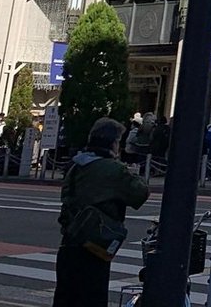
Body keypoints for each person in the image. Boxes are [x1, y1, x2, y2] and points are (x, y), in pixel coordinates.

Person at [52, 118, 149, 307]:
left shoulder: (76, 165)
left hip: (70, 242)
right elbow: (139, 194)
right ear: (112, 143)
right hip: (95, 245)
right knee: (92, 297)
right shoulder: (111, 169)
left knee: (66, 298)